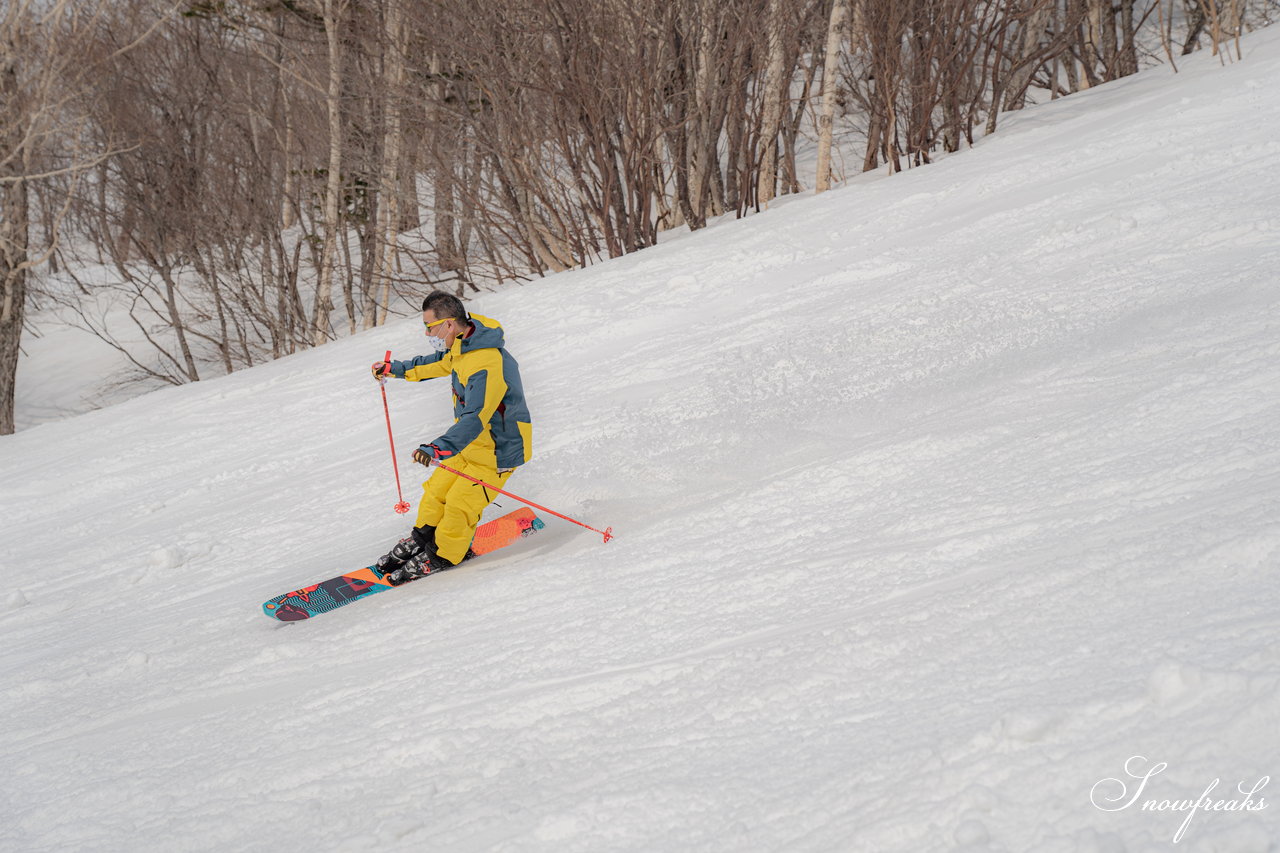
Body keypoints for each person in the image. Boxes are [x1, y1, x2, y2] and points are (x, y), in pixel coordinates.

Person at [371, 291, 532, 584]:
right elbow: (437, 362)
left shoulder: (485, 362)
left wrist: (437, 448)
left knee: (460, 503)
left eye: (430, 327)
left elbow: (476, 417)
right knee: (437, 491)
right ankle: (423, 539)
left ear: (448, 324)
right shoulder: (462, 345)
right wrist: (395, 370)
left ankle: (443, 555)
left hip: (498, 451)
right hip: (471, 446)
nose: (427, 333)